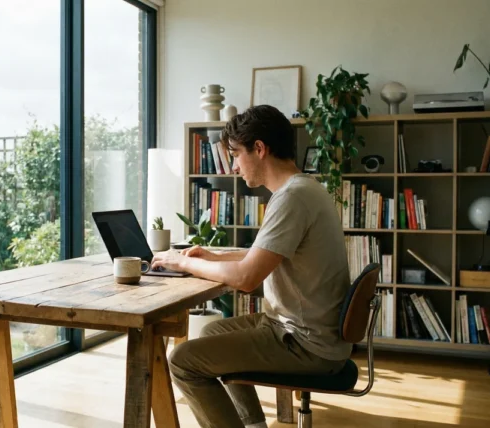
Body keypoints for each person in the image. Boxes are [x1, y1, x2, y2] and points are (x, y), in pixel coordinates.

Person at [150, 104, 352, 428]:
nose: (233, 167)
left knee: (183, 361)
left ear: (259, 148)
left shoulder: (291, 198)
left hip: (306, 344)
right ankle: (254, 424)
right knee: (214, 330)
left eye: (235, 155)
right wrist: (213, 258)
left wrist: (182, 262)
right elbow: (263, 255)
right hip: (310, 331)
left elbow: (246, 278)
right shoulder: (304, 188)